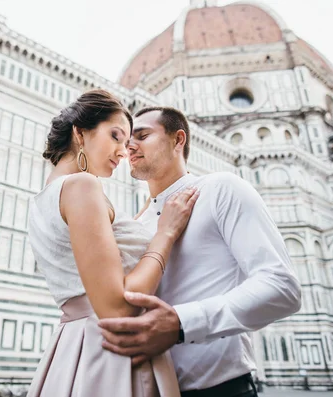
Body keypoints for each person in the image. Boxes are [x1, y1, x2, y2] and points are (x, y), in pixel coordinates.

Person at [99, 107, 302, 397]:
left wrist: (181, 323)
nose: (129, 144)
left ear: (178, 139)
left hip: (221, 390)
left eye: (142, 135)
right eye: (127, 138)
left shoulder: (221, 189)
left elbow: (282, 288)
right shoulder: (137, 224)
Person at [27, 91, 199, 396]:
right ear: (80, 133)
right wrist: (165, 234)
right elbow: (117, 307)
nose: (124, 151)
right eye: (116, 136)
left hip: (73, 348)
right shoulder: (82, 185)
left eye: (128, 142)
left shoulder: (43, 199)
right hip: (113, 349)